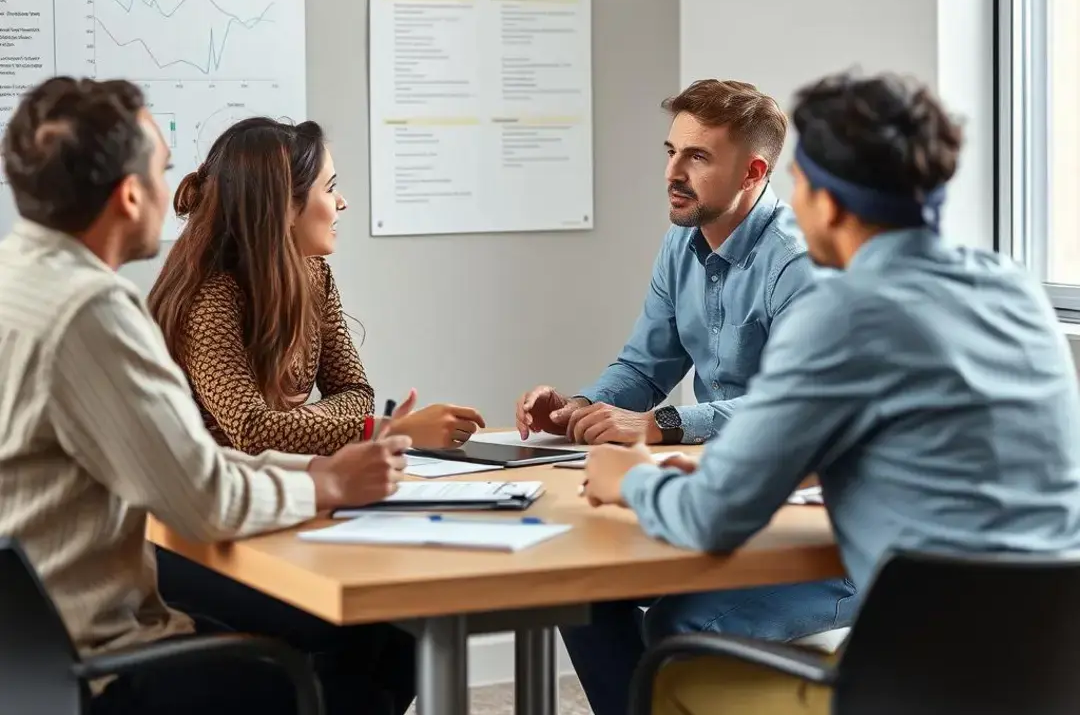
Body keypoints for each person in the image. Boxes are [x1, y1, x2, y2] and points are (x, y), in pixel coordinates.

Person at [583, 71, 1080, 715]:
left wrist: (629, 480)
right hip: (1051, 670)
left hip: (909, 681)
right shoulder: (1014, 290)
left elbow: (711, 516)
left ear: (828, 203)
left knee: (670, 655)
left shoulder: (841, 311)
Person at [0, 77, 417, 715]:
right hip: (97, 662)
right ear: (131, 194)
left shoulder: (18, 278)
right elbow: (205, 499)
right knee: (337, 659)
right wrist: (329, 485)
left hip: (28, 651)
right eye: (163, 171)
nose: (181, 194)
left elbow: (189, 460)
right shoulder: (92, 311)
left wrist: (316, 465)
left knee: (377, 641)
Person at [515, 79, 855, 713]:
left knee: (672, 630)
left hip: (815, 542)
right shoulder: (683, 242)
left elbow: (792, 413)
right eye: (671, 152)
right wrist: (579, 410)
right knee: (581, 593)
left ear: (754, 171)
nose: (673, 172)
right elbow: (644, 367)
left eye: (697, 157)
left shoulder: (799, 264)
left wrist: (662, 424)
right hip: (727, 502)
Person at [148, 116, 485, 455]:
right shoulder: (210, 299)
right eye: (329, 187)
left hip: (276, 486)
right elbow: (253, 431)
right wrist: (391, 431)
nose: (342, 202)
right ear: (286, 206)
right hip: (206, 499)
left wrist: (303, 424)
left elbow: (356, 391)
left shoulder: (315, 276)